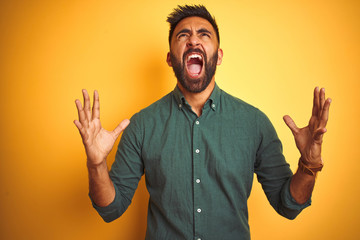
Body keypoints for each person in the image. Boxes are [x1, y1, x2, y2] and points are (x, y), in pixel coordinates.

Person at [74, 5, 331, 240]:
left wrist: (309, 164)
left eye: (204, 35)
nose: (193, 40)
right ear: (169, 57)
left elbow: (288, 205)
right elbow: (111, 209)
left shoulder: (255, 124)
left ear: (218, 57)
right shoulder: (142, 125)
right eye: (183, 35)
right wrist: (96, 164)